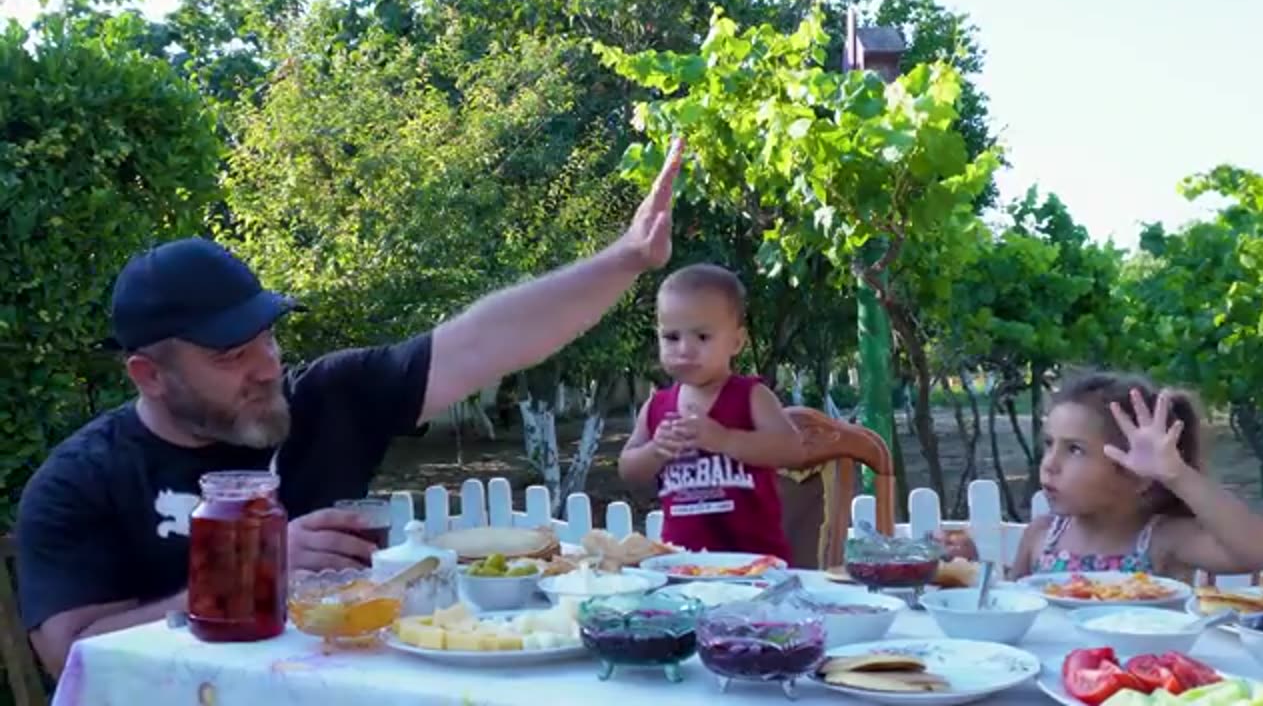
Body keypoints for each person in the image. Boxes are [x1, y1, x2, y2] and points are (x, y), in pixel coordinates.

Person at [17, 140, 686, 677]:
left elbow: (484, 341)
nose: (267, 366)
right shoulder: (81, 481)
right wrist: (260, 573)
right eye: (228, 356)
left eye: (268, 337)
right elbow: (69, 650)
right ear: (149, 375)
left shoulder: (326, 399)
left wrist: (624, 260)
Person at [1010, 371, 1263, 581]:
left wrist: (1177, 475)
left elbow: (1258, 554)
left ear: (1138, 475)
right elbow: (1008, 610)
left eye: (1075, 450)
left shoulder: (1162, 540)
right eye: (1048, 444)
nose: (1049, 464)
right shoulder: (1041, 536)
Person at [617, 264, 806, 561]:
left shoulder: (751, 396)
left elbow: (792, 450)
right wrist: (656, 450)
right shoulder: (656, 407)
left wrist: (725, 440)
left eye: (702, 337)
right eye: (671, 337)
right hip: (682, 566)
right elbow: (628, 469)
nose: (685, 349)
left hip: (754, 566)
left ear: (736, 341)